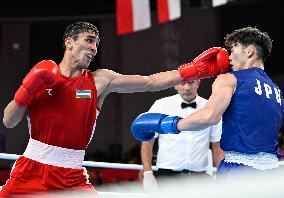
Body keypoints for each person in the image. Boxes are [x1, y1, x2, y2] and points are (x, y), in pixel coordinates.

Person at [0, 21, 229, 197]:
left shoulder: (99, 81)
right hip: (32, 169)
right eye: (89, 40)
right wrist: (27, 89)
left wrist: (193, 71)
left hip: (71, 176)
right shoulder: (42, 76)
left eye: (96, 43)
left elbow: (149, 82)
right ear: (69, 42)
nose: (94, 48)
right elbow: (9, 121)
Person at [131, 26, 283, 177]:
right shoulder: (276, 91)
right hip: (270, 172)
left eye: (234, 49)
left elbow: (209, 116)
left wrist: (169, 124)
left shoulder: (231, 78)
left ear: (249, 51)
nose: (229, 56)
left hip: (239, 169)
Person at [141, 80, 224, 191]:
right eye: (182, 83)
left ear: (198, 83)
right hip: (167, 177)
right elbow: (148, 139)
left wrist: (221, 176)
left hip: (199, 178)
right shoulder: (162, 105)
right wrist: (147, 172)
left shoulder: (210, 108)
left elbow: (217, 145)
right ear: (175, 84)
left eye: (191, 83)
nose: (187, 88)